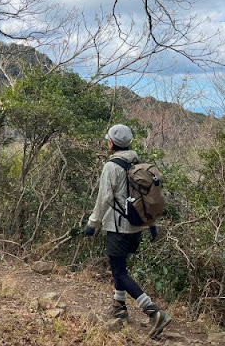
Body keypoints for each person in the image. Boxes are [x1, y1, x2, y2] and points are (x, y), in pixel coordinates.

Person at [84, 123, 171, 338]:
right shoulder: (138, 162)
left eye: (108, 140)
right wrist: (152, 225)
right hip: (137, 227)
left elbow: (104, 198)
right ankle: (119, 306)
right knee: (120, 267)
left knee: (119, 273)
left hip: (118, 227)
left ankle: (153, 312)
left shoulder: (111, 167)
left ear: (112, 143)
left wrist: (92, 224)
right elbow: (146, 199)